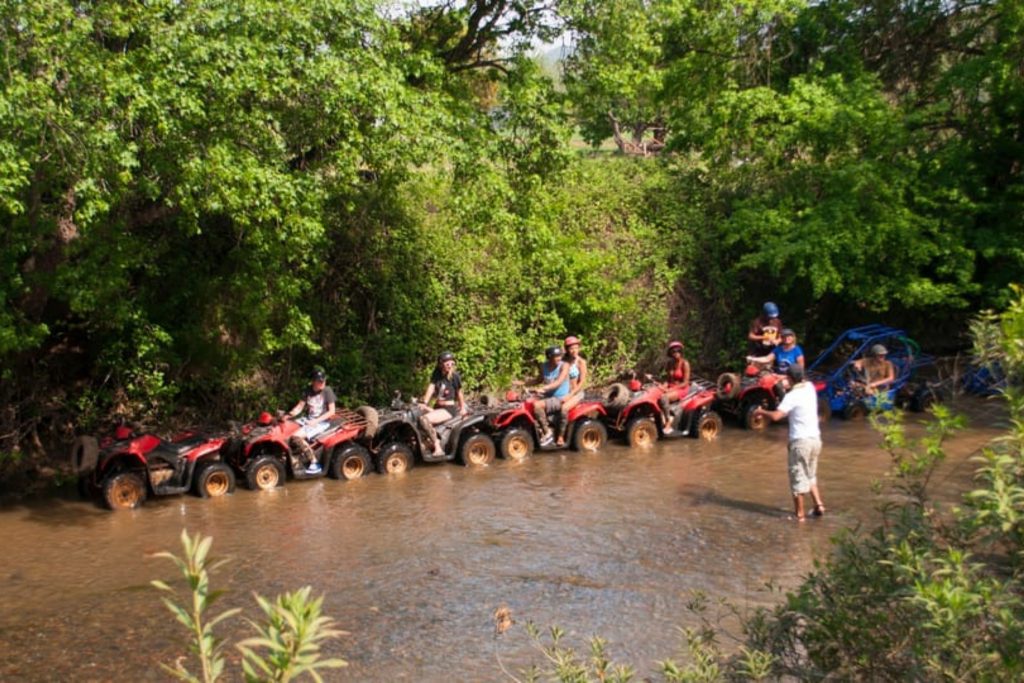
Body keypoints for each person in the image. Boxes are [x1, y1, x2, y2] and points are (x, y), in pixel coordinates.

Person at [754, 364, 825, 522]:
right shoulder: (810, 387)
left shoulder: (792, 396)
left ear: (791, 379)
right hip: (815, 440)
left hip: (801, 442)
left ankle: (800, 516)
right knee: (810, 474)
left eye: (787, 377)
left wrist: (761, 412)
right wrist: (781, 378)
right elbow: (797, 380)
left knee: (797, 477)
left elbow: (777, 416)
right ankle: (819, 505)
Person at [287, 366, 337, 474]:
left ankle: (314, 463)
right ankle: (294, 458)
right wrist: (288, 415)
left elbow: (332, 411)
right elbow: (299, 407)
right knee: (288, 429)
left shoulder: (327, 391)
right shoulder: (308, 390)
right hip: (309, 419)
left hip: (322, 422)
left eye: (323, 381)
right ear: (313, 381)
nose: (322, 383)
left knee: (296, 437)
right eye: (319, 381)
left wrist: (316, 421)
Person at [419, 351, 468, 457]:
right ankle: (426, 443)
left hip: (448, 409)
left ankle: (438, 447)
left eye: (452, 363)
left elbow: (459, 393)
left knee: (424, 419)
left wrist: (463, 408)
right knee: (416, 416)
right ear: (441, 364)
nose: (450, 366)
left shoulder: (455, 376)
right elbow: (431, 387)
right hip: (437, 407)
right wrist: (424, 402)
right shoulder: (437, 373)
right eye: (447, 364)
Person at [528, 345, 571, 446]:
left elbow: (559, 382)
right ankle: (536, 430)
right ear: (549, 357)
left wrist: (543, 388)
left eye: (559, 356)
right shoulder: (544, 366)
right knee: (526, 402)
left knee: (537, 405)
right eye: (555, 356)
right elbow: (539, 379)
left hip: (560, 397)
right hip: (547, 396)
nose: (558, 358)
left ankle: (547, 432)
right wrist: (524, 384)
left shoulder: (564, 365)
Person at [556, 336, 589, 446]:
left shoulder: (581, 362)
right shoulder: (563, 361)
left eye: (576, 348)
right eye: (571, 348)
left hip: (576, 393)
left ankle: (561, 436)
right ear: (567, 349)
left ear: (579, 348)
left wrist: (571, 394)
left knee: (564, 408)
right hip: (563, 392)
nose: (574, 350)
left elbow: (581, 383)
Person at [657, 340, 691, 434]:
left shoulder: (685, 364)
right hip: (671, 386)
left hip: (682, 388)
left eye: (678, 351)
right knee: (655, 393)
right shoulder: (669, 363)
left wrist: (671, 389)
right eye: (674, 351)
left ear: (681, 352)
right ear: (670, 353)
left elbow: (685, 382)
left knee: (664, 398)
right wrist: (662, 386)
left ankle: (668, 422)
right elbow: (668, 380)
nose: (676, 353)